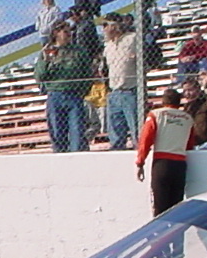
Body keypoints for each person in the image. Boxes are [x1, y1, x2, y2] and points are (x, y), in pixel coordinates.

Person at [34, 21, 93, 153]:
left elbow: (88, 74)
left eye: (70, 32)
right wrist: (45, 60)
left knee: (77, 131)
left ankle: (77, 157)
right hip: (55, 95)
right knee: (57, 133)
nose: (69, 34)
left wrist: (81, 92)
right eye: (65, 32)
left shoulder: (78, 51)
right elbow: (39, 76)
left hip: (74, 95)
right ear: (56, 33)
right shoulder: (47, 51)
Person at [135, 88, 195, 217]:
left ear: (163, 101)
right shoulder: (188, 118)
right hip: (180, 165)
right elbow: (190, 144)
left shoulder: (155, 115)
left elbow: (146, 140)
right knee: (176, 209)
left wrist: (140, 162)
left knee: (160, 209)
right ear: (179, 102)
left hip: (161, 163)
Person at [101, 13, 139, 150]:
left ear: (115, 26)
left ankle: (140, 151)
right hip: (114, 92)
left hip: (131, 90)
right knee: (115, 132)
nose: (104, 29)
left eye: (105, 25)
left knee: (137, 129)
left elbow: (152, 56)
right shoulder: (107, 45)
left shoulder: (133, 38)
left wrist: (138, 58)